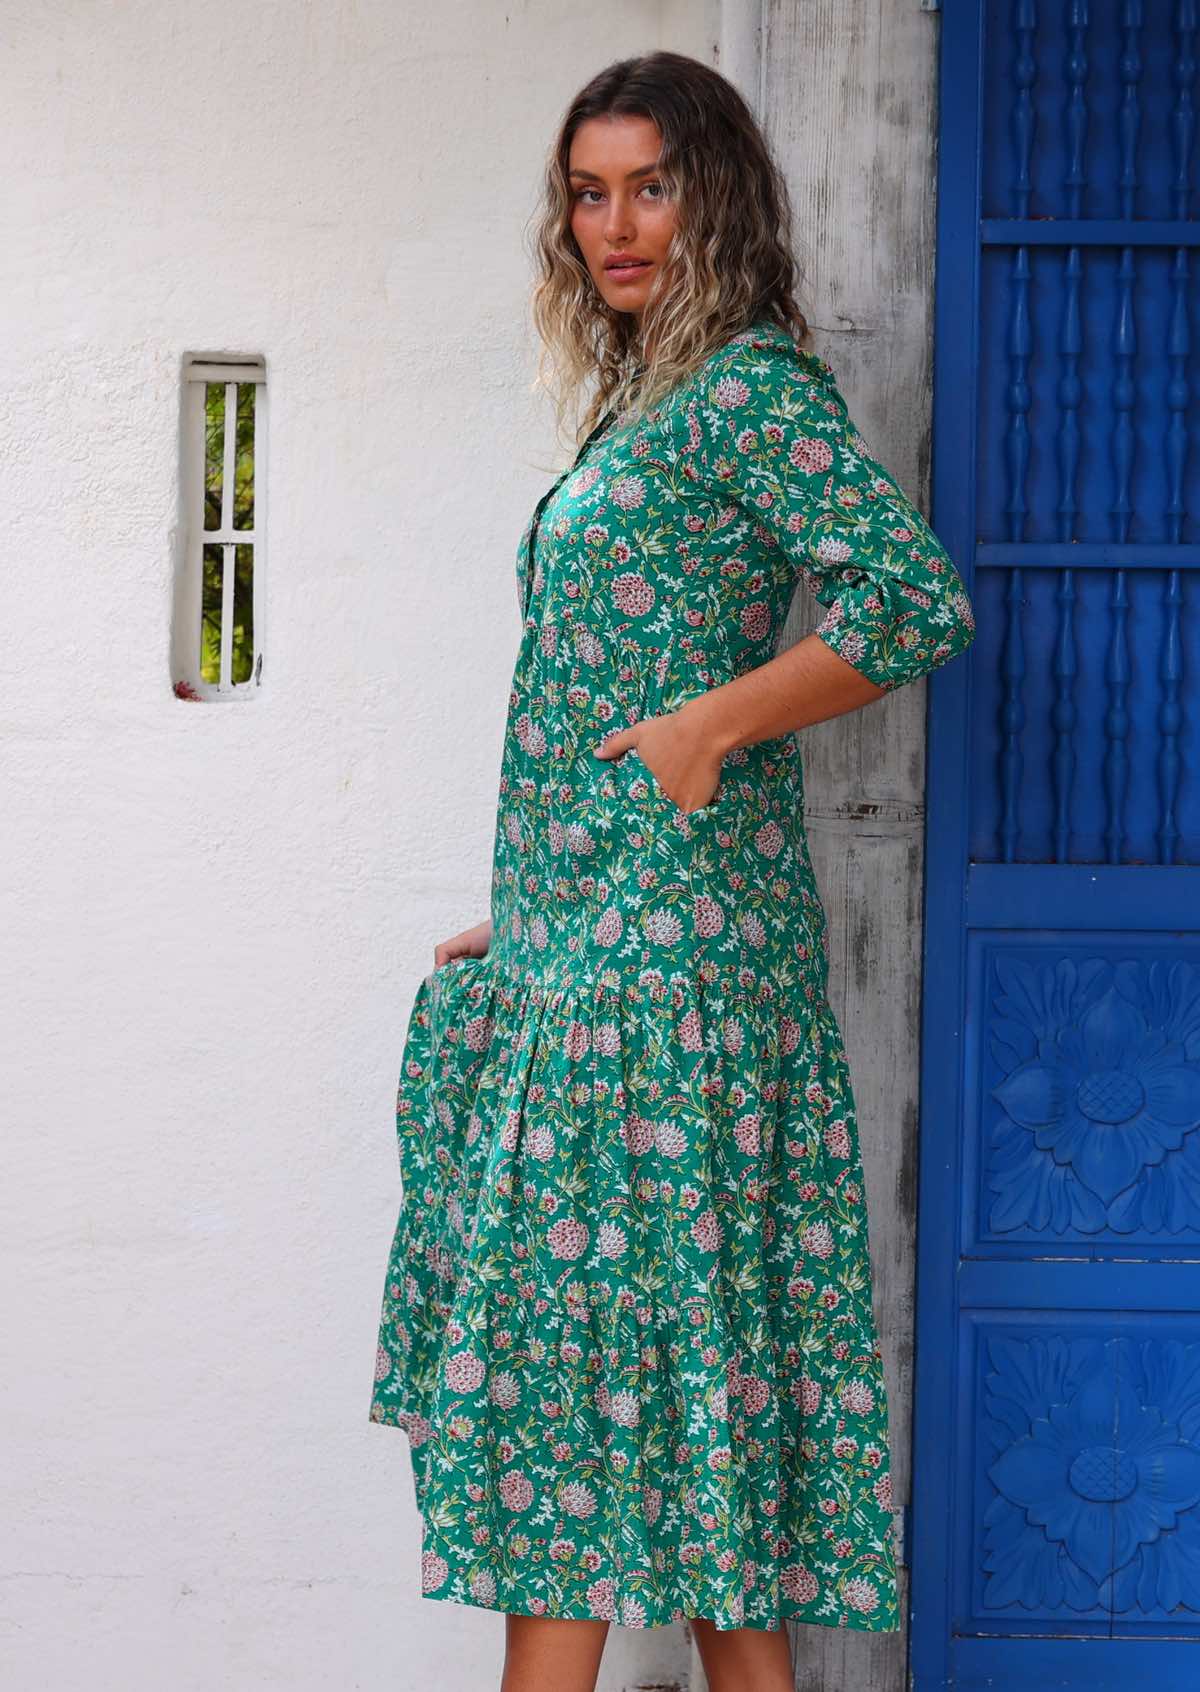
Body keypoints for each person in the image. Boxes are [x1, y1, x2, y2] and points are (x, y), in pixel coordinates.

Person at [369, 48, 976, 1692]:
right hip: (620, 945)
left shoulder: (749, 395)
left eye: (651, 185)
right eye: (588, 192)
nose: (616, 224)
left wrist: (718, 724)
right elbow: (594, 691)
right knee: (684, 1439)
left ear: (715, 193)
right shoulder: (652, 398)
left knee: (563, 1428)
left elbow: (913, 604)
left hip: (672, 990)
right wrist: (555, 894)